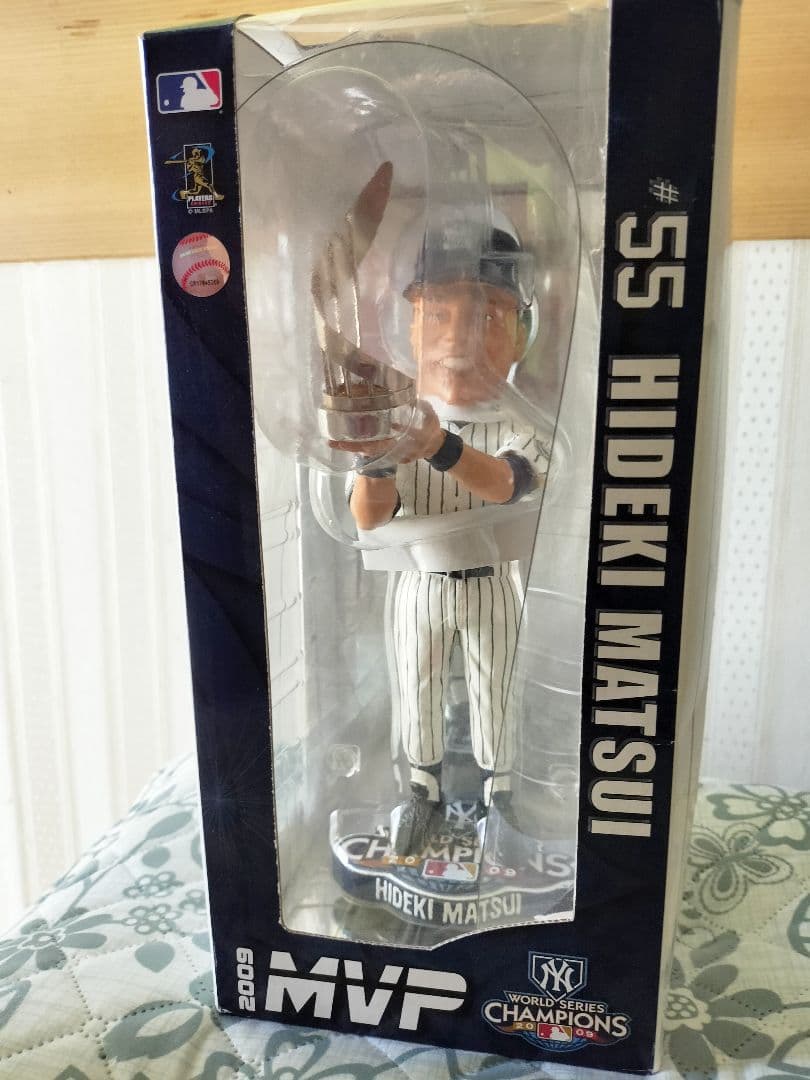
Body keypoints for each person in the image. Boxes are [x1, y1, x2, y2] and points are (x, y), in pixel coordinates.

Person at [348, 221, 549, 856]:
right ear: (411, 325)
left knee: (497, 688)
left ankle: (501, 796)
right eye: (438, 313)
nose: (458, 337)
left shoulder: (525, 424)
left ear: (519, 330)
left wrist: (436, 445)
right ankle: (421, 792)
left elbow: (506, 483)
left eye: (486, 315)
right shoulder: (397, 420)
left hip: (495, 585)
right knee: (417, 684)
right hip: (421, 582)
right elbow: (368, 518)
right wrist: (376, 457)